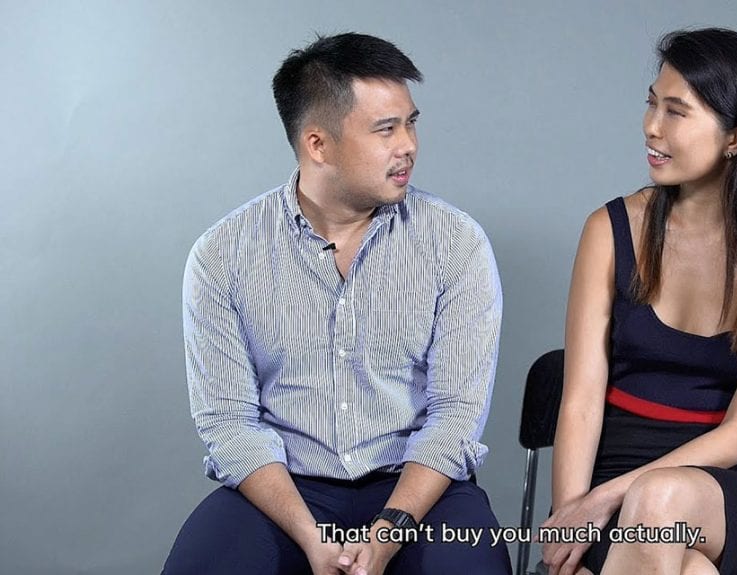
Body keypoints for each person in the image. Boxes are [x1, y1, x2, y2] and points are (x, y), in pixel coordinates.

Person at [163, 33, 511, 575]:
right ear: (317, 144)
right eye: (385, 129)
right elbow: (229, 424)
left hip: (418, 488)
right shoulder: (223, 255)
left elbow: (456, 417)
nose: (409, 145)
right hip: (282, 491)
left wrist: (388, 532)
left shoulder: (455, 243)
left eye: (411, 122)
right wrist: (309, 536)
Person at [541, 28, 737, 575]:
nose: (651, 127)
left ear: (736, 138)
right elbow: (581, 400)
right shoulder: (612, 230)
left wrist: (611, 499)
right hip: (608, 471)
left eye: (676, 111)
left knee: (659, 501)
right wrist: (572, 515)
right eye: (652, 103)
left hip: (718, 489)